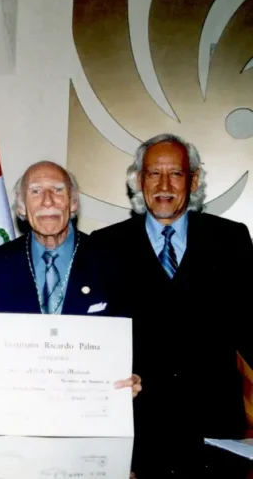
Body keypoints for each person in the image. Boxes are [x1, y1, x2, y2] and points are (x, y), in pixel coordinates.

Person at [0, 161, 140, 434]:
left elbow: (140, 343)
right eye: (35, 192)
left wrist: (136, 376)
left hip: (88, 427)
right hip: (7, 428)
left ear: (73, 203)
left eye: (58, 191)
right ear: (22, 209)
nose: (48, 201)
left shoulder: (114, 263)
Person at [91, 133, 253, 441]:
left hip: (214, 425)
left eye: (176, 174)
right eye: (154, 174)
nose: (164, 186)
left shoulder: (230, 239)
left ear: (193, 182)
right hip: (136, 427)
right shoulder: (104, 245)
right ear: (139, 181)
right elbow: (91, 335)